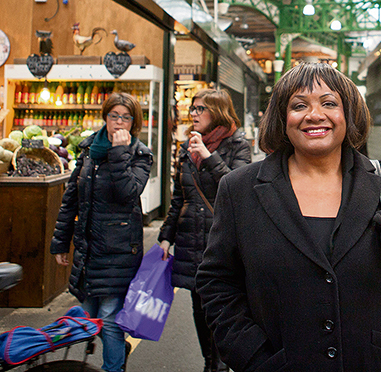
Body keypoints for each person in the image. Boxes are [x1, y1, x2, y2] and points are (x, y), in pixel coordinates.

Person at [194, 62, 381, 372]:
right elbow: (217, 282)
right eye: (299, 105)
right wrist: (255, 358)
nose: (314, 115)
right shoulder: (240, 189)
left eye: (329, 103)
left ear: (347, 114)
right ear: (282, 118)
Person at [50, 92, 153, 372]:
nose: (118, 122)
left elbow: (128, 193)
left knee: (109, 319)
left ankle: (113, 368)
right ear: (105, 117)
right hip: (88, 248)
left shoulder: (140, 154)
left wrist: (119, 154)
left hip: (119, 249)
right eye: (113, 116)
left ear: (135, 122)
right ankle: (118, 352)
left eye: (126, 117)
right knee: (87, 318)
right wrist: (60, 243)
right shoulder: (88, 150)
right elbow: (71, 197)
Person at [158, 89, 251, 372]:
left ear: (217, 112)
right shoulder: (188, 148)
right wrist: (165, 236)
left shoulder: (238, 145)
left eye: (200, 109)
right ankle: (210, 364)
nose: (194, 114)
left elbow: (239, 190)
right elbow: (180, 198)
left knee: (222, 313)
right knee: (200, 310)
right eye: (193, 110)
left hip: (222, 245)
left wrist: (209, 157)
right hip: (191, 243)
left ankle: (218, 367)